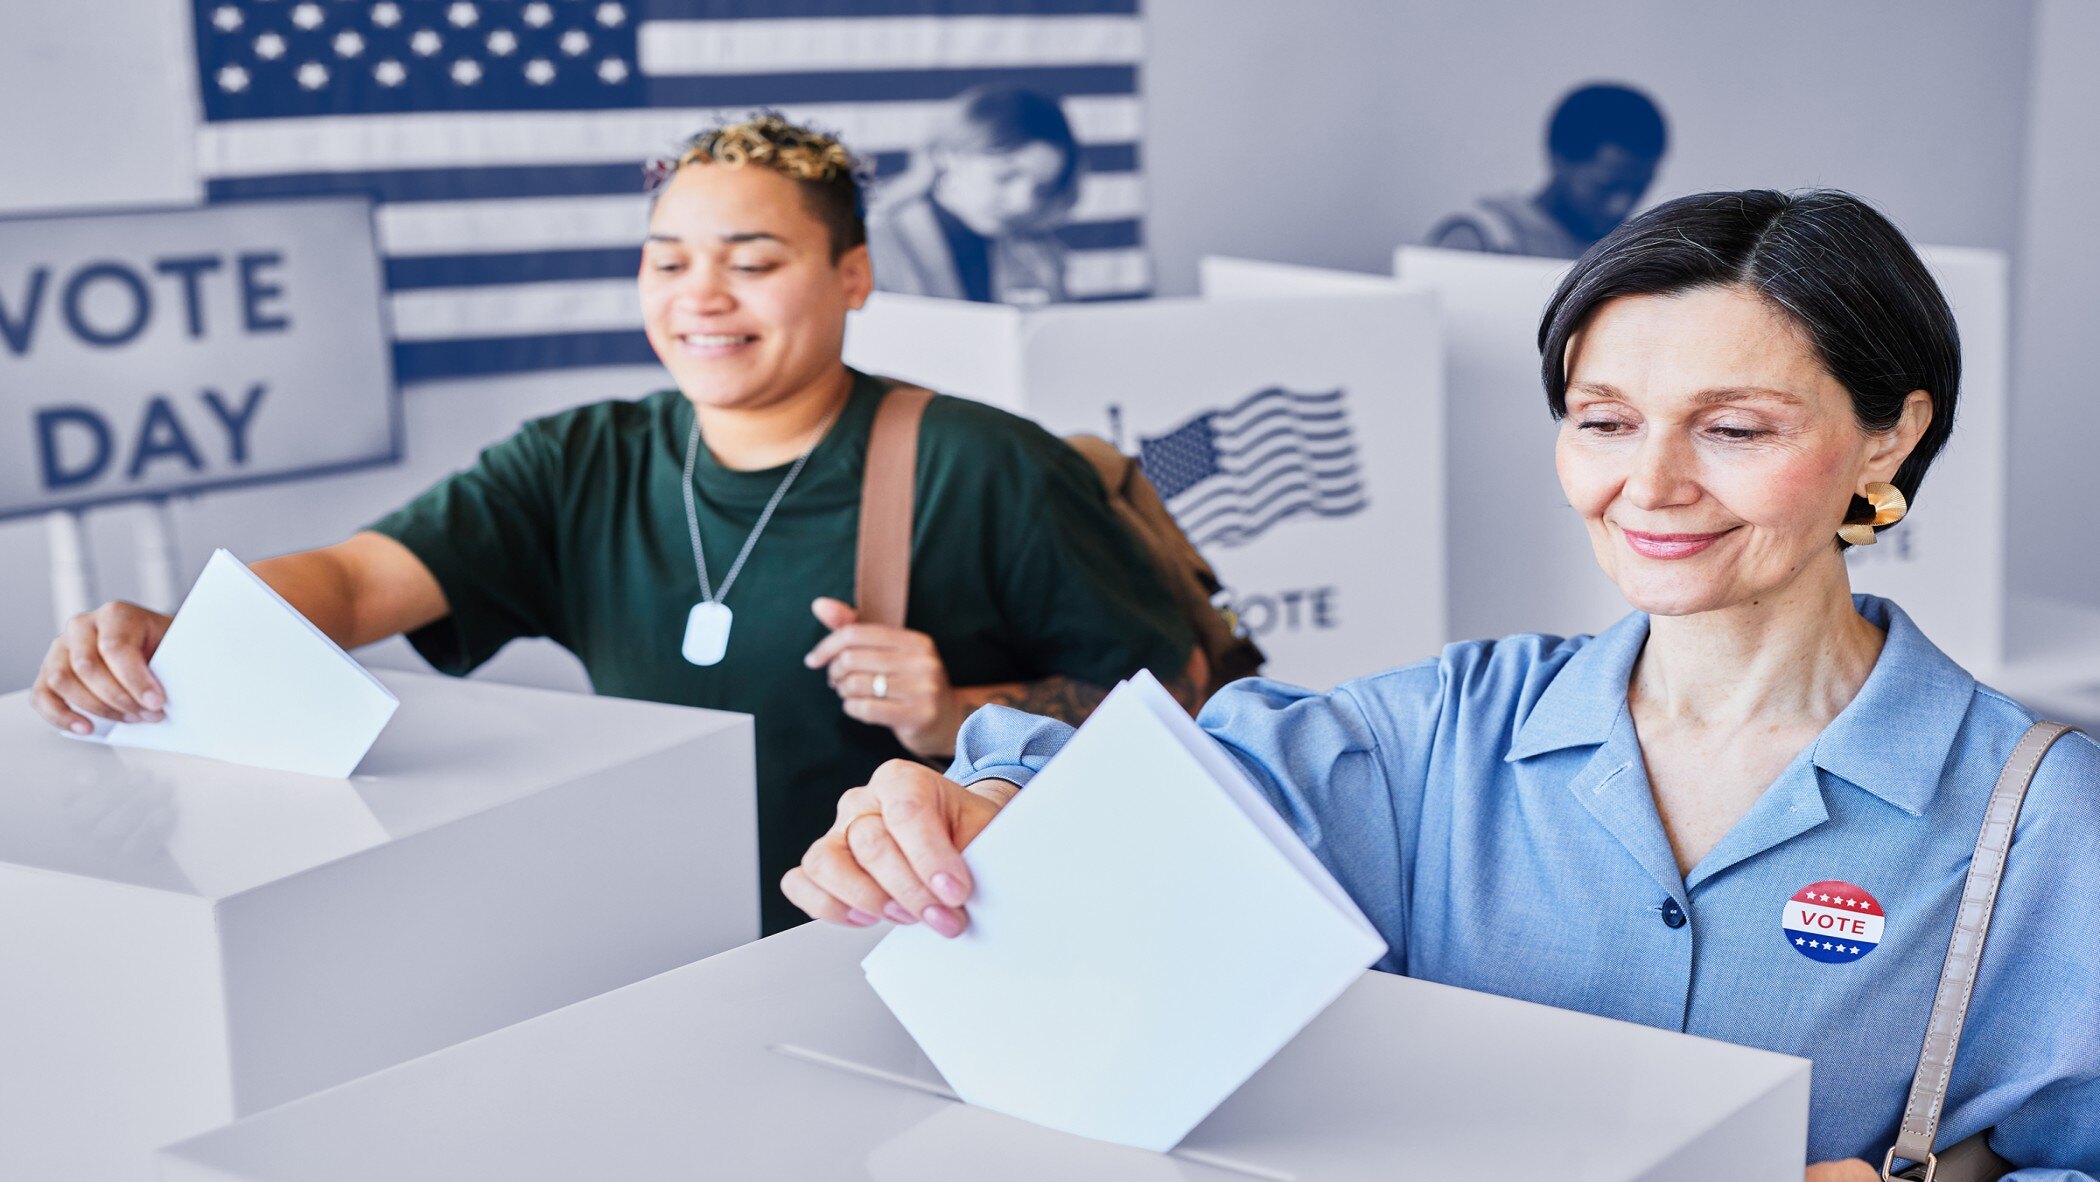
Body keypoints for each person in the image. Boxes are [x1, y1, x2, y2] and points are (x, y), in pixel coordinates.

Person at [785, 190, 2100, 1178]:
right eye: (1602, 420)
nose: (1649, 483)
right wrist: (976, 809)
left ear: (1891, 432)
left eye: (1735, 427)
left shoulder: (2037, 815)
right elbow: (1150, 784)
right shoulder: (1453, 728)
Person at [30, 113, 1195, 937]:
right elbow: (353, 580)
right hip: (663, 942)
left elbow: (1175, 703)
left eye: (754, 261)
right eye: (668, 260)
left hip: (931, 944)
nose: (701, 295)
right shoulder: (579, 460)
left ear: (852, 278)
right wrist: (186, 635)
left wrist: (956, 712)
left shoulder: (986, 464)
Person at [866, 86, 1081, 305]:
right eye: (1004, 177)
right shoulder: (871, 246)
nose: (1023, 203)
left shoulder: (1041, 256)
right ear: (947, 156)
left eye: (1042, 188)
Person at [1429, 82, 1667, 259]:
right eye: (1605, 187)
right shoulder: (1481, 237)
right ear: (1559, 158)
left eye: (1639, 187)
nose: (1621, 205)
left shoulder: (1635, 253)